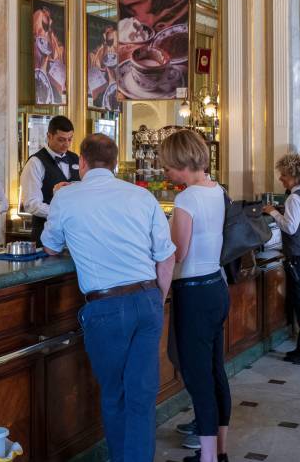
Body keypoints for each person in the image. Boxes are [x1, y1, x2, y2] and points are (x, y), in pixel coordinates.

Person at [41, 134, 176, 462]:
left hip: (105, 307)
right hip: (147, 299)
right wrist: (159, 299)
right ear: (115, 163)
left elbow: (50, 246)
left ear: (82, 163)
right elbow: (166, 255)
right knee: (141, 396)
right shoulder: (141, 197)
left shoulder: (67, 198)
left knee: (115, 395)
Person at [161, 130, 230, 462]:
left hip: (194, 292)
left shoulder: (187, 198)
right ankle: (220, 448)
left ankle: (207, 457)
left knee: (197, 375)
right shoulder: (216, 189)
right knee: (216, 370)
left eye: (168, 166)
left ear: (180, 161)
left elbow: (179, 252)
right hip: (216, 285)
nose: (166, 173)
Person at [265, 153, 300, 365]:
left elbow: (290, 227)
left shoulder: (294, 198)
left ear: (294, 175)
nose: (281, 178)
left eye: (284, 175)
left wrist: (272, 212)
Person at [19, 115, 79, 243]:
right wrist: (60, 213)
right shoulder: (35, 162)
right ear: (49, 136)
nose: (66, 144)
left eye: (69, 139)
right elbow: (31, 204)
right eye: (61, 140)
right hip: (45, 233)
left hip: (73, 234)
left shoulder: (76, 159)